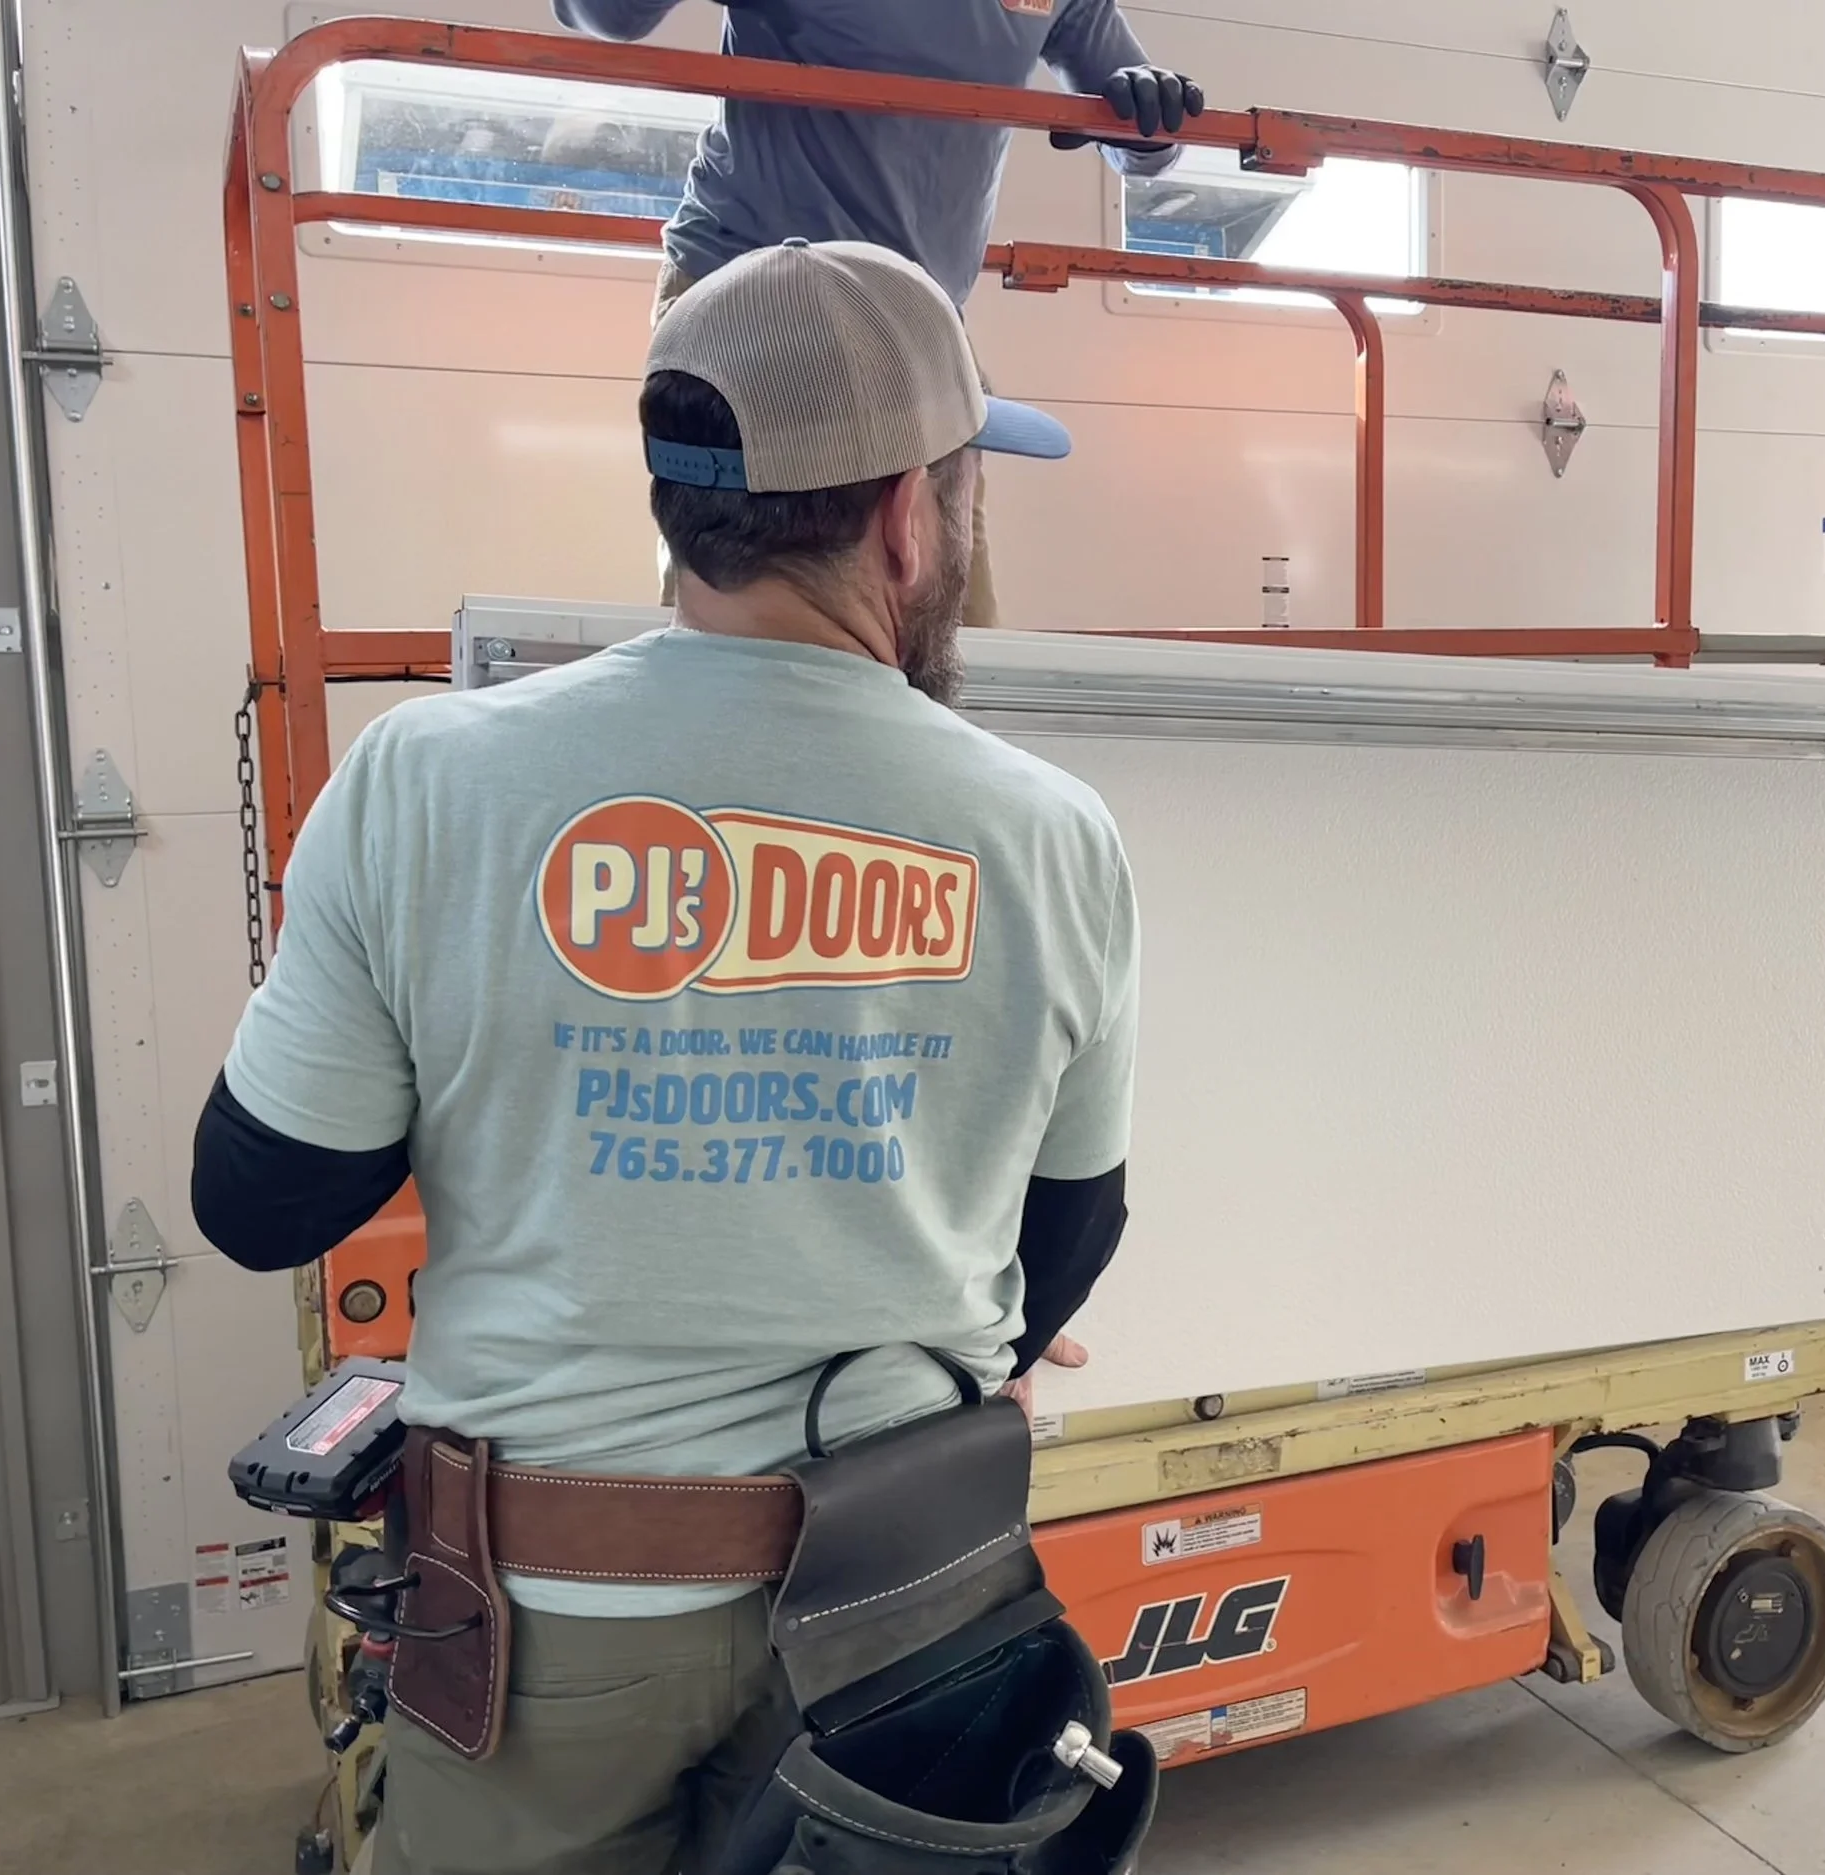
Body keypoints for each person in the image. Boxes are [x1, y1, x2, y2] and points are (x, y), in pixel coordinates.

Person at [191, 237, 1140, 1875]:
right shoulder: (1053, 837)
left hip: (544, 1633)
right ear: (912, 517)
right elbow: (1076, 1226)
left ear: (680, 505)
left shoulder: (428, 782)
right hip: (902, 1609)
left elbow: (261, 1197)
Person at [552, 0, 1204, 625]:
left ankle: (932, 736)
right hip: (751, 292)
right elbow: (603, 13)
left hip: (914, 312)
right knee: (735, 584)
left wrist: (1148, 106)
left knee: (950, 603)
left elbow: (1142, 144)